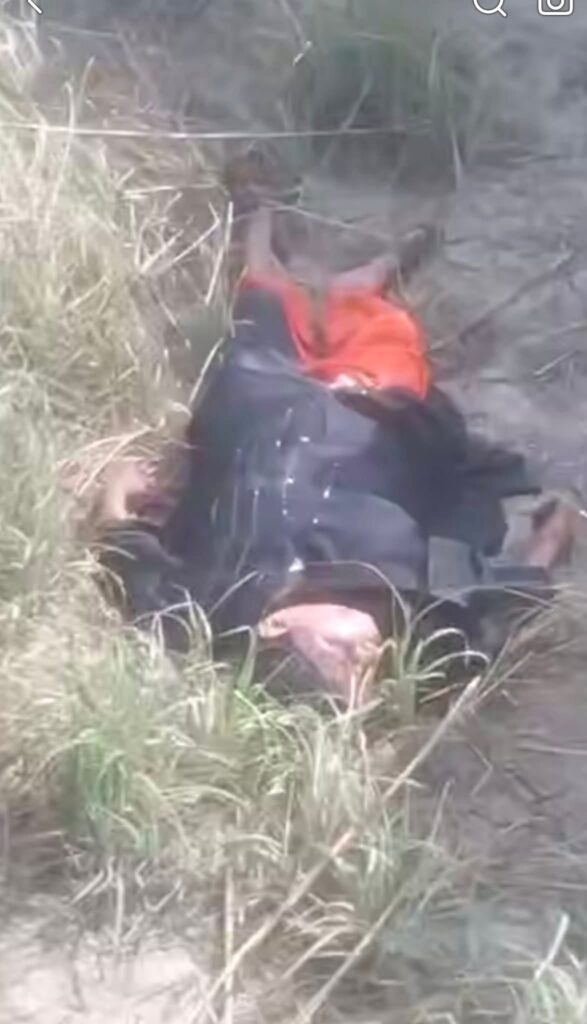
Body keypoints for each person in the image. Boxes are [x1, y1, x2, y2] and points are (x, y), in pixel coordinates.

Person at [94, 202, 577, 708]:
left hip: (258, 397)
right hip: (373, 410)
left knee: (263, 299)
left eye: (342, 656)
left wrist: (116, 489)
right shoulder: (416, 616)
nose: (371, 654)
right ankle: (368, 283)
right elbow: (510, 603)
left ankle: (259, 213)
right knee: (384, 331)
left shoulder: (204, 608)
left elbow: (123, 556)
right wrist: (554, 534)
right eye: (366, 675)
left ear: (276, 626)